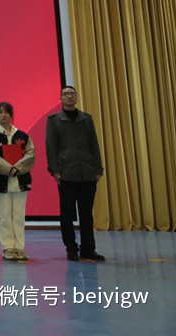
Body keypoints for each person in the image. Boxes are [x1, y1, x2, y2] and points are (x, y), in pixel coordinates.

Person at [46, 85, 105, 262]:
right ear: (61, 99)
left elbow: (94, 145)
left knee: (86, 214)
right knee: (67, 214)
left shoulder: (86, 119)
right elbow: (51, 147)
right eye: (65, 94)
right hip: (66, 173)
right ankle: (71, 248)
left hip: (87, 173)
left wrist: (98, 169)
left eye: (72, 94)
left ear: (77, 97)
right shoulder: (54, 120)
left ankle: (88, 249)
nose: (69, 96)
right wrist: (55, 171)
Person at [0, 102, 35, 261]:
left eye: (6, 112)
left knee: (19, 216)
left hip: (20, 181)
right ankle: (8, 248)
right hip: (1, 181)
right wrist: (8, 169)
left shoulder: (22, 136)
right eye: (0, 112)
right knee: (5, 216)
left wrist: (18, 168)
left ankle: (19, 247)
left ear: (11, 115)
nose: (4, 115)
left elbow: (30, 154)